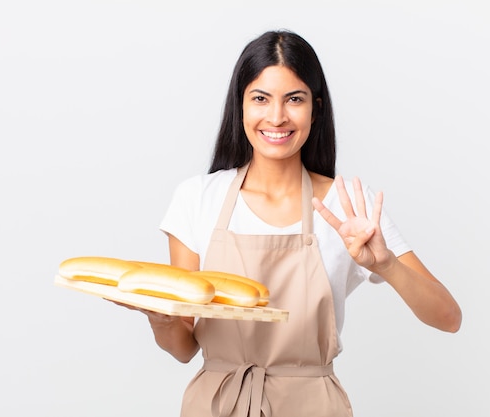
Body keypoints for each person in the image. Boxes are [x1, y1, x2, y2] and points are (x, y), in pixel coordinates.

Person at [138, 29, 461, 417]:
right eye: (260, 98)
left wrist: (386, 265)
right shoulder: (198, 199)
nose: (276, 117)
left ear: (315, 108)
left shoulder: (347, 208)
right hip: (216, 404)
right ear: (240, 106)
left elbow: (448, 317)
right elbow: (184, 347)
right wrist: (161, 321)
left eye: (294, 99)